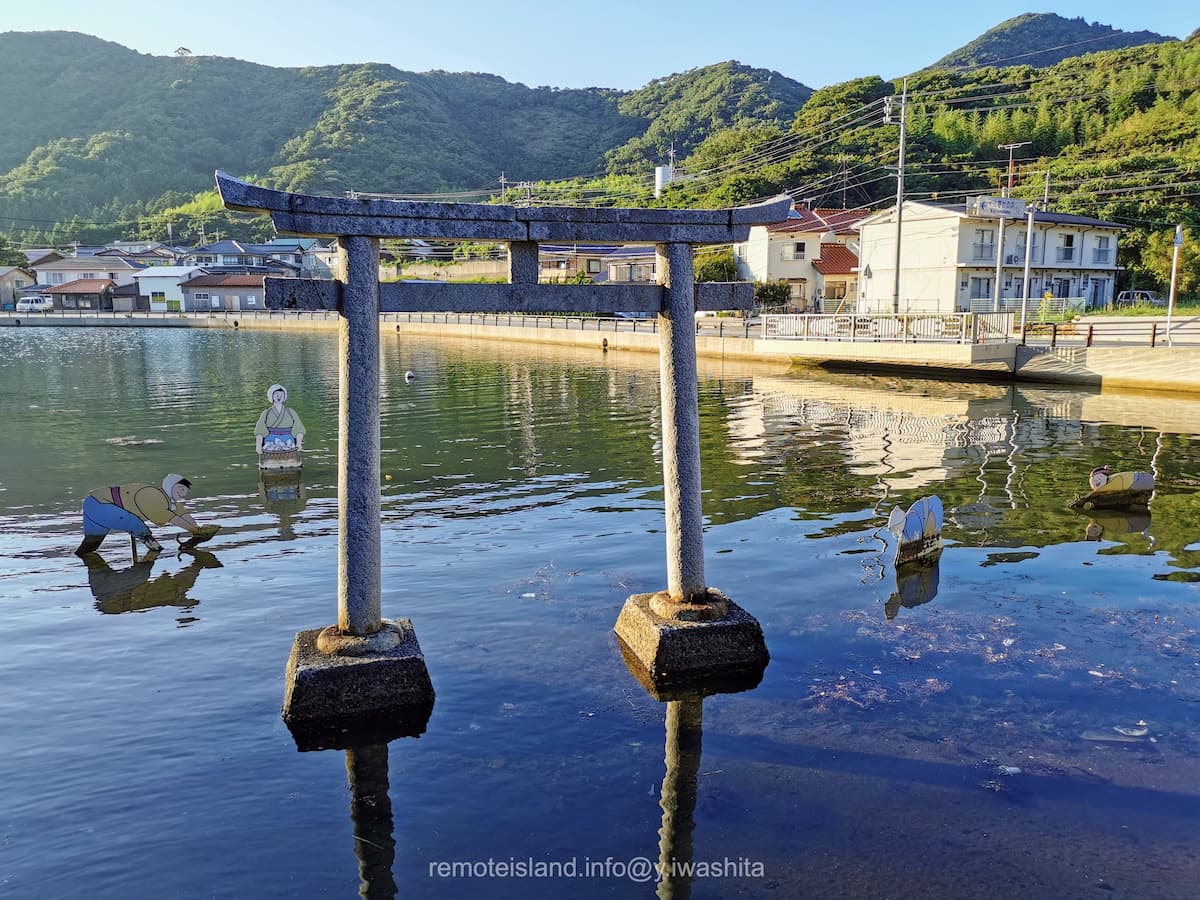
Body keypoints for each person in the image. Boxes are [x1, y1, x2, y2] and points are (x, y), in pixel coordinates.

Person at [75, 474, 214, 556]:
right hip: (100, 505)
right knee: (139, 529)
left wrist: (197, 530)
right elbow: (171, 517)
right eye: (181, 489)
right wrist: (195, 531)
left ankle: (84, 562)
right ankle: (151, 557)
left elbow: (183, 514)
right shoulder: (153, 495)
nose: (184, 494)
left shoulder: (170, 501)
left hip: (93, 502)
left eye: (186, 491)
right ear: (171, 487)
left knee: (89, 547)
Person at [255, 383, 306, 456]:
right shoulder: (266, 413)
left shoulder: (291, 412)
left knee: (290, 451)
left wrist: (298, 444)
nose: (279, 397)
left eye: (281, 395)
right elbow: (259, 431)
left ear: (284, 396)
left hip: (288, 441)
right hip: (270, 442)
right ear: (272, 396)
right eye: (276, 395)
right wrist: (258, 446)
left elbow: (299, 430)